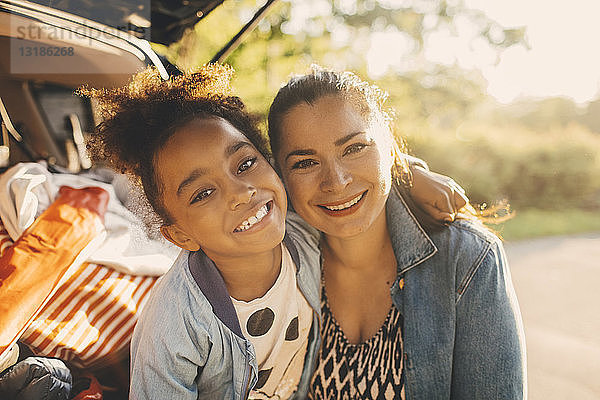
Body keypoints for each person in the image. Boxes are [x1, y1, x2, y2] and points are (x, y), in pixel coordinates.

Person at [82, 65, 469, 400]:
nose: (241, 192)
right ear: (181, 236)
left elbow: (345, 175)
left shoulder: (297, 230)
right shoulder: (175, 322)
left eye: (245, 163)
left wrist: (410, 173)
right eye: (203, 193)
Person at [267, 67, 527, 399]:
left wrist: (407, 170)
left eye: (354, 148)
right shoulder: (280, 259)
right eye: (305, 163)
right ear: (280, 174)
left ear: (389, 146)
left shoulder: (468, 259)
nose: (337, 181)